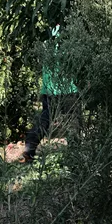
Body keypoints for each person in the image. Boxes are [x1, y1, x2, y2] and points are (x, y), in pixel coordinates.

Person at [21, 25, 79, 163]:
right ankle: (76, 153)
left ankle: (30, 145)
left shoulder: (47, 32)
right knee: (73, 122)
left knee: (46, 119)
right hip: (68, 87)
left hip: (49, 88)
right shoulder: (70, 30)